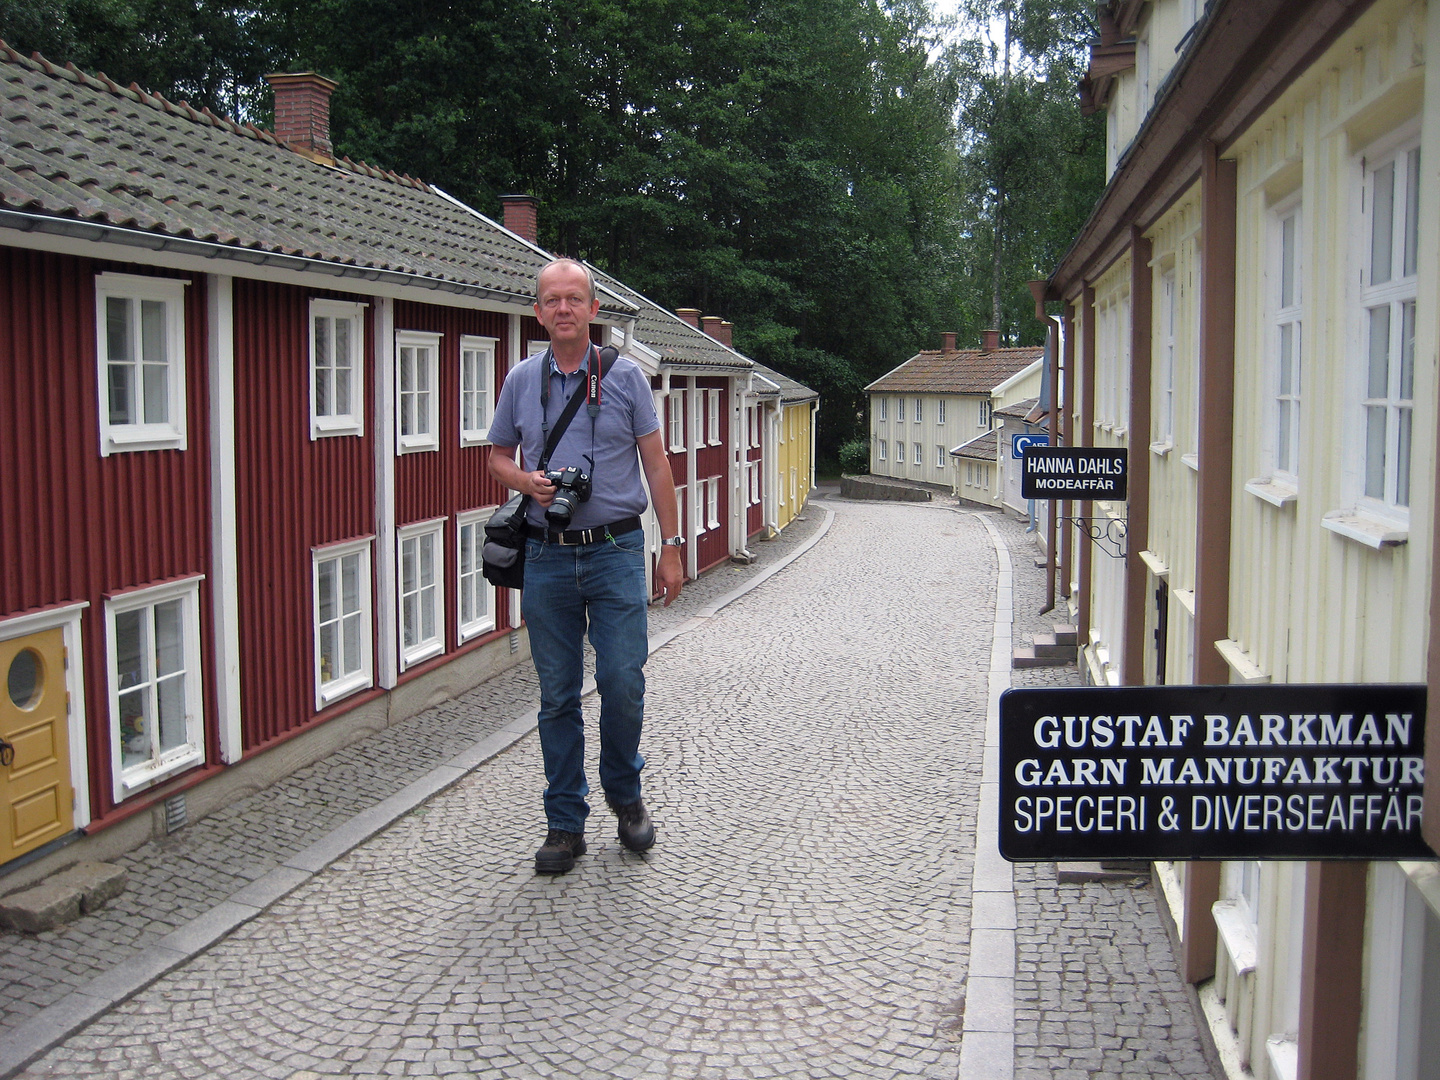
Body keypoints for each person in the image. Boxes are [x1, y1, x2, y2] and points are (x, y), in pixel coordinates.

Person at [487, 257, 685, 874]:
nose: (564, 309)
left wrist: (671, 545)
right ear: (539, 311)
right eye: (553, 300)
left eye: (575, 299)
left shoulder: (626, 379)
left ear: (593, 310)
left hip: (618, 550)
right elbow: (496, 458)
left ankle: (625, 796)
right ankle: (564, 822)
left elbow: (656, 464)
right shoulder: (521, 379)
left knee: (624, 681)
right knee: (556, 696)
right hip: (547, 554)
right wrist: (529, 482)